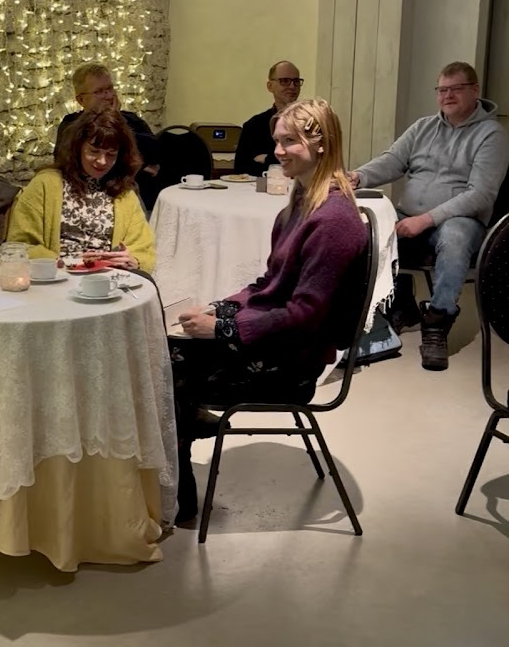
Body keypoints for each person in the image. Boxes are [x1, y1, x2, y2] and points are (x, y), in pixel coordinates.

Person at [172, 98, 368, 522]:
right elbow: (267, 286)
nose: (278, 151)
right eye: (277, 141)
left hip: (294, 363)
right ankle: (181, 431)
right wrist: (220, 309)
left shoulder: (334, 220)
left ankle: (179, 491)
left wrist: (222, 329)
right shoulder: (300, 205)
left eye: (289, 142)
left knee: (168, 365)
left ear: (321, 144)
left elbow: (305, 315)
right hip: (280, 340)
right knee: (167, 346)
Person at [350, 61, 509, 371]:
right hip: (409, 212)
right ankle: (398, 302)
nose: (447, 96)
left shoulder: (492, 134)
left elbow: (480, 195)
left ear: (475, 90)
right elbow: (393, 161)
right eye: (442, 90)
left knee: (455, 238)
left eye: (456, 89)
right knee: (364, 227)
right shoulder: (423, 127)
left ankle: (437, 323)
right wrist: (358, 176)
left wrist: (425, 219)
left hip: (461, 220)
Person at [8, 108, 155, 273]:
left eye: (111, 155)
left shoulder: (125, 194)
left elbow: (144, 250)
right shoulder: (46, 184)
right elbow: (20, 244)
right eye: (94, 151)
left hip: (109, 278)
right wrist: (64, 263)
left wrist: (133, 260)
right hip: (57, 276)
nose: (102, 161)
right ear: (77, 147)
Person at [55, 63, 160, 210]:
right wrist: (140, 165)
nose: (109, 96)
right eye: (99, 91)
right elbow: (67, 161)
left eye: (110, 89)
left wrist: (117, 121)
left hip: (130, 196)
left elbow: (155, 153)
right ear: (81, 100)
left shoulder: (130, 119)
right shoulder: (71, 124)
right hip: (83, 198)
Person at [234, 60, 304, 176]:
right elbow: (241, 170)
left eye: (296, 81)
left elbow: (312, 161)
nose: (292, 86)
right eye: (284, 81)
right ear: (270, 86)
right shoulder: (254, 126)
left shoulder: (309, 122)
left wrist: (267, 159)